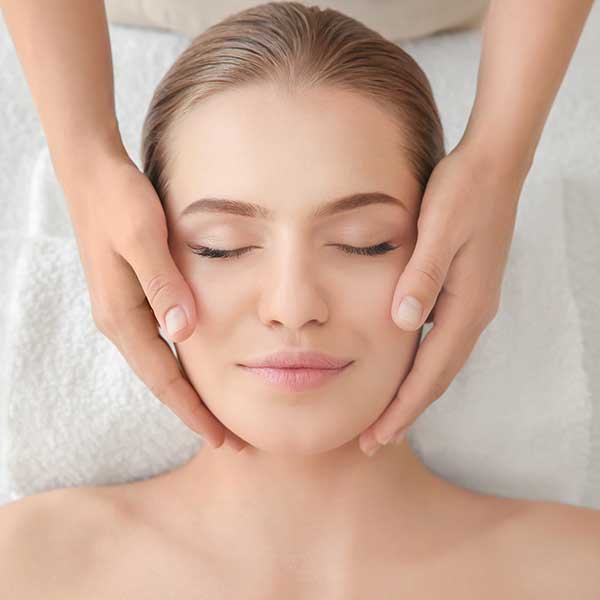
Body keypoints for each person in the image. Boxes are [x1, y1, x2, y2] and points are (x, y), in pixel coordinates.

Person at [1, 3, 599, 596]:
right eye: (220, 247)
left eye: (364, 243)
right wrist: (84, 159)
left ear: (449, 255)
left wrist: (499, 160)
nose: (292, 305)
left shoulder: (576, 571)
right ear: (140, 260)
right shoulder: (28, 564)